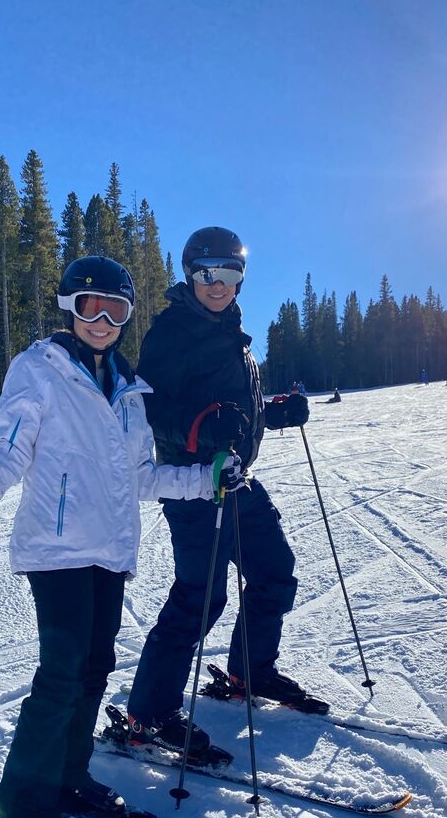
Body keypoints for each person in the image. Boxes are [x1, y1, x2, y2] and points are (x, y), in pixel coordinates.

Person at [0, 255, 243, 818]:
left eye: (116, 308)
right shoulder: (39, 371)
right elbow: (9, 450)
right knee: (60, 677)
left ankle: (65, 784)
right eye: (90, 306)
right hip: (58, 549)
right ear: (70, 308)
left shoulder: (127, 390)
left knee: (95, 668)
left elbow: (142, 478)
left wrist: (205, 479)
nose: (102, 319)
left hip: (108, 551)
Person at [126, 226, 311, 754]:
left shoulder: (232, 331)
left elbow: (232, 409)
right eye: (208, 273)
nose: (218, 283)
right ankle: (150, 714)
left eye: (230, 274)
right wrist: (202, 430)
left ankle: (249, 674)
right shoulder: (172, 332)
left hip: (238, 481)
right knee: (200, 598)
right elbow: (154, 409)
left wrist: (274, 412)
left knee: (275, 574)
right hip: (192, 488)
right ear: (191, 274)